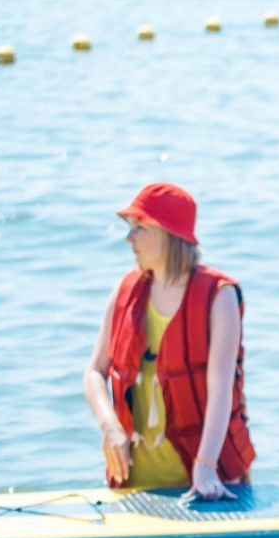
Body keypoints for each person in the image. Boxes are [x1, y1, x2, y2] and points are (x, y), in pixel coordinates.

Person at [83, 183, 254, 500]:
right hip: (135, 484)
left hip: (208, 485)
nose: (129, 238)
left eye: (140, 228)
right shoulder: (125, 291)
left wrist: (206, 465)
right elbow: (95, 372)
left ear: (169, 234)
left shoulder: (219, 296)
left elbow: (220, 387)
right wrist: (109, 425)